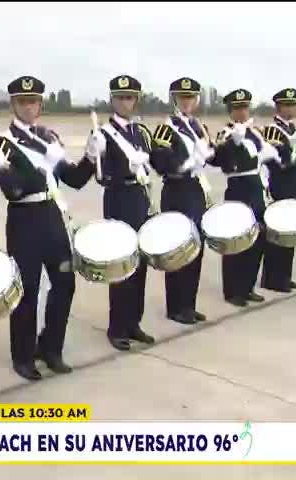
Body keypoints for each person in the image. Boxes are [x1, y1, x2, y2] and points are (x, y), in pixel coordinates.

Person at [0, 75, 93, 379]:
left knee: (64, 284)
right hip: (25, 220)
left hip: (52, 216)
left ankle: (51, 348)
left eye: (33, 102)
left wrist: (91, 157)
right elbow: (12, 189)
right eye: (22, 102)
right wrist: (38, 168)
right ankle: (23, 356)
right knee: (28, 290)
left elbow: (74, 179)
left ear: (40, 105)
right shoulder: (3, 143)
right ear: (13, 104)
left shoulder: (50, 138)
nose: (28, 107)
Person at [83, 75, 156, 351]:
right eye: (120, 98)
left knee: (140, 264)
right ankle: (117, 328)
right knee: (120, 265)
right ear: (112, 100)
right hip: (119, 199)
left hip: (139, 198)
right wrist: (104, 160)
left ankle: (133, 323)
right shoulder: (102, 134)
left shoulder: (140, 132)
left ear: (136, 101)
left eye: (130, 98)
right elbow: (101, 177)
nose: (125, 102)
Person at [150, 77, 212, 325]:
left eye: (191, 98)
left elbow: (213, 155)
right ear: (174, 99)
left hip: (195, 189)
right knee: (178, 248)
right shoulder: (167, 128)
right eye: (182, 98)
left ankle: (189, 304)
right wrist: (186, 163)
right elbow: (160, 162)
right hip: (177, 189)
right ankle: (175, 307)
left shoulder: (198, 126)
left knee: (196, 247)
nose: (187, 102)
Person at [209, 89, 279, 306]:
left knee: (257, 237)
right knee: (236, 239)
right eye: (237, 108)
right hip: (238, 186)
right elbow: (219, 161)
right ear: (230, 111)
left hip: (256, 185)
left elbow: (264, 155)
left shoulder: (255, 132)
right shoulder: (226, 133)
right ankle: (233, 291)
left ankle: (248, 286)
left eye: (245, 107)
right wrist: (234, 143)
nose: (242, 112)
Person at [260, 88, 296, 292]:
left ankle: (285, 276)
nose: (292, 108)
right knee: (278, 232)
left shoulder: (294, 129)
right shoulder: (273, 130)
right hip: (280, 184)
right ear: (279, 107)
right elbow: (277, 161)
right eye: (287, 105)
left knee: (290, 231)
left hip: (293, 183)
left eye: (294, 104)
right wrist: (293, 154)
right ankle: (273, 279)